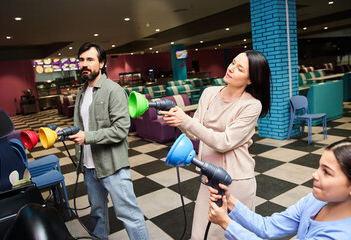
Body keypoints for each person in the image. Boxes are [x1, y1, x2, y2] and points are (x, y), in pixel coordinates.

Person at [159, 50, 271, 239]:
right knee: (200, 234)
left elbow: (224, 142)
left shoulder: (252, 105)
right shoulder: (209, 93)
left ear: (250, 80)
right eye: (233, 62)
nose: (231, 68)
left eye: (240, 68)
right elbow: (196, 134)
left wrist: (186, 121)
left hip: (236, 181)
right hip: (209, 176)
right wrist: (178, 121)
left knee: (231, 235)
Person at [64, 42, 150, 240]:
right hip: (89, 167)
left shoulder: (114, 90)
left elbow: (121, 130)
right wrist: (67, 131)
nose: (85, 64)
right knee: (98, 215)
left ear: (101, 63)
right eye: (82, 60)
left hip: (113, 168)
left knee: (129, 215)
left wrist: (87, 137)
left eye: (90, 60)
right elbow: (83, 125)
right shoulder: (81, 92)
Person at [208, 139, 351, 239]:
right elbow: (267, 226)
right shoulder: (314, 201)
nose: (315, 174)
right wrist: (230, 200)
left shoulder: (340, 235)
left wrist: (226, 223)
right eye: (319, 167)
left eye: (326, 172)